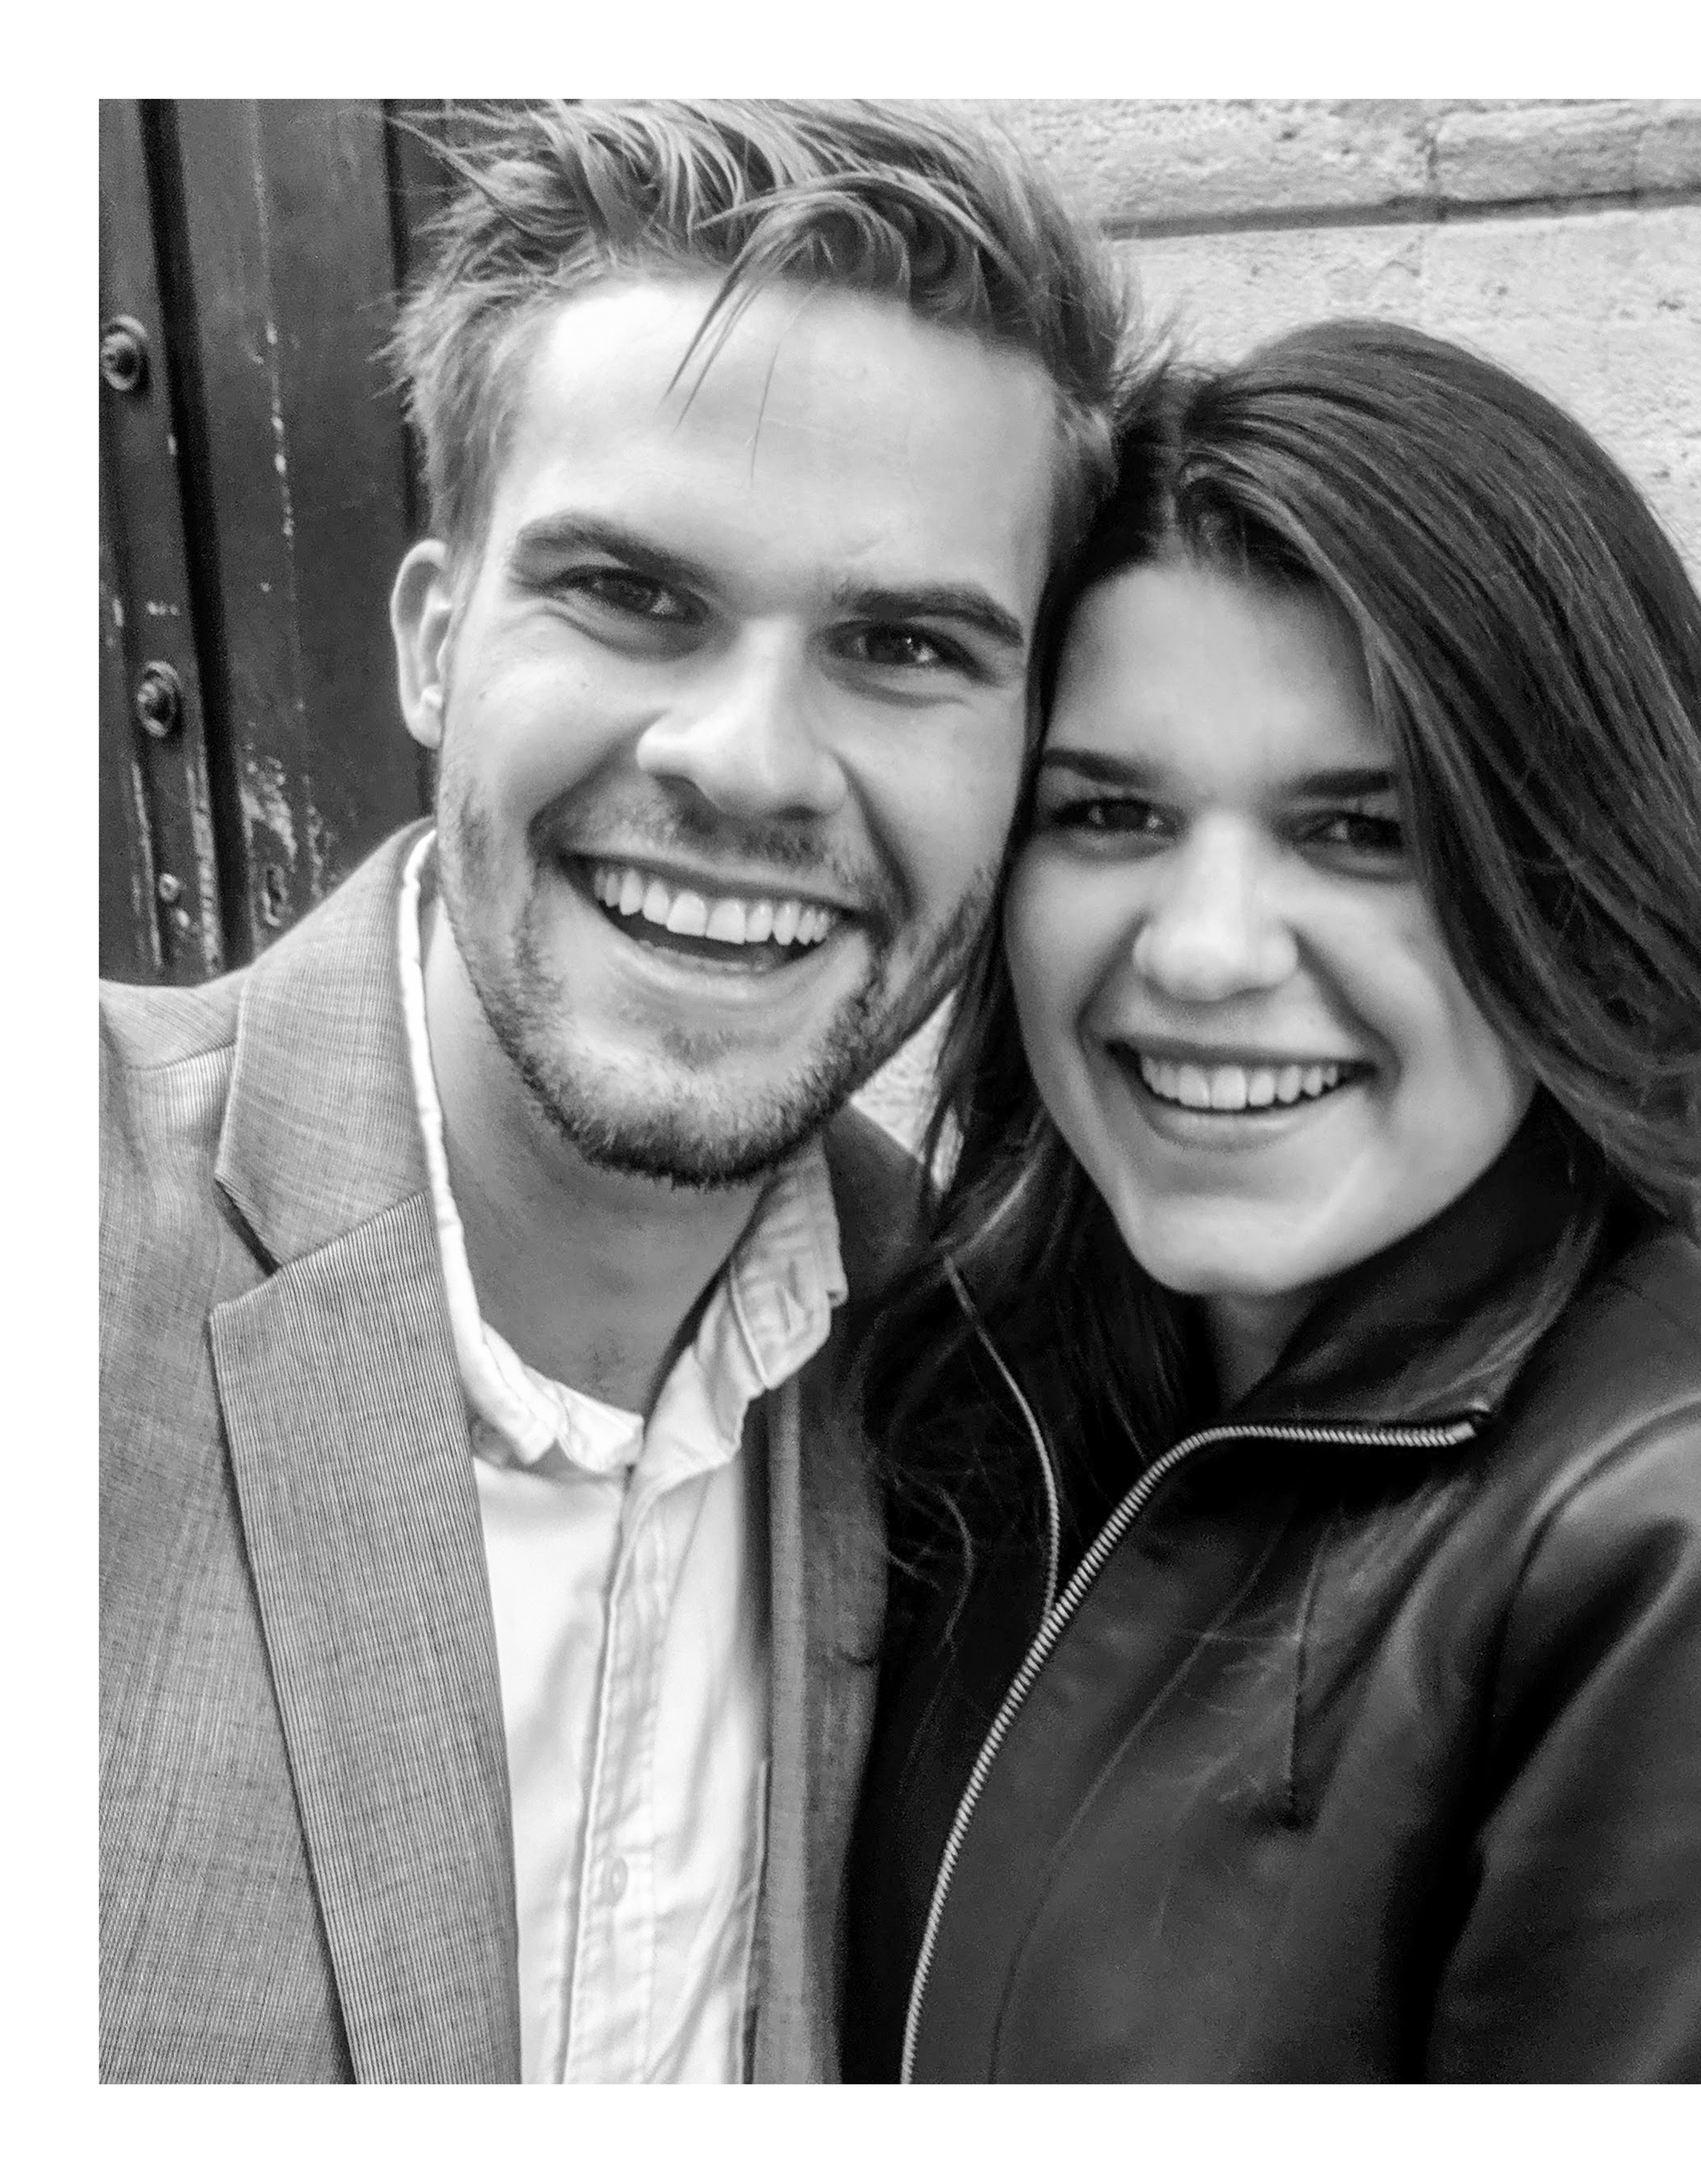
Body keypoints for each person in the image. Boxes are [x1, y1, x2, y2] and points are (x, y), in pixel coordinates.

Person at [98, 100, 1131, 2083]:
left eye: (901, 643)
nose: (748, 761)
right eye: (634, 595)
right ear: (433, 641)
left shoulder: (985, 1385)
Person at [844, 321, 1701, 2082]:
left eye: (1362, 831)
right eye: (1110, 811)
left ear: (1579, 882)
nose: (1204, 952)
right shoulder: (951, 1378)